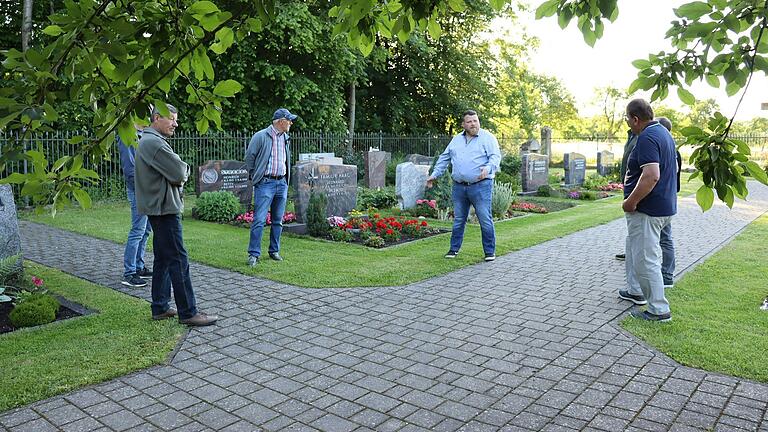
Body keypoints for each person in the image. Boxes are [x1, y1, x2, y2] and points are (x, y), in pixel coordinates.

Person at [135, 104, 218, 326]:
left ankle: (160, 307)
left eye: (176, 119)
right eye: (171, 119)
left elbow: (176, 173)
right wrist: (182, 174)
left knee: (163, 258)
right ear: (156, 118)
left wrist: (178, 174)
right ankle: (188, 312)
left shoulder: (150, 141)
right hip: (164, 209)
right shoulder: (154, 142)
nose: (175, 124)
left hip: (159, 208)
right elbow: (180, 172)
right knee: (178, 259)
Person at [618, 99, 677, 322]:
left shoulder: (647, 137)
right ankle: (636, 290)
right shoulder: (663, 133)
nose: (628, 123)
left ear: (635, 118)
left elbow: (652, 175)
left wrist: (630, 202)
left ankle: (658, 310)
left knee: (646, 259)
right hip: (662, 206)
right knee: (634, 250)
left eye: (627, 119)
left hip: (647, 210)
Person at [426, 110, 501, 262]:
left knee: (484, 218)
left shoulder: (487, 138)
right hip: (459, 187)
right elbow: (444, 158)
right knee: (459, 219)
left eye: (475, 120)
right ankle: (453, 250)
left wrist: (487, 169)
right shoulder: (456, 140)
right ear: (463, 124)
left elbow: (495, 157)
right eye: (469, 121)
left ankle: (489, 252)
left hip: (481, 185)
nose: (473, 124)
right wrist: (434, 174)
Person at [245, 108, 296, 266]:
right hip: (265, 183)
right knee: (259, 220)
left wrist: (286, 181)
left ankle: (274, 251)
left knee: (277, 221)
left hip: (281, 183)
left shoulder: (285, 138)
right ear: (281, 121)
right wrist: (256, 177)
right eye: (289, 120)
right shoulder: (261, 136)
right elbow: (249, 158)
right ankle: (253, 254)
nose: (291, 123)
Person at [118, 125, 152, 288]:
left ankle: (139, 266)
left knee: (145, 230)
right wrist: (141, 189)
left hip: (148, 189)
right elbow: (129, 168)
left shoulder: (144, 135)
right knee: (138, 230)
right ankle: (129, 273)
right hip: (139, 189)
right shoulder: (128, 135)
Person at [655, 116, 682, 288]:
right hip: (670, 198)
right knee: (666, 238)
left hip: (662, 199)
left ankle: (666, 275)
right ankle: (667, 273)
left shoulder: (666, 149)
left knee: (664, 239)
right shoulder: (673, 149)